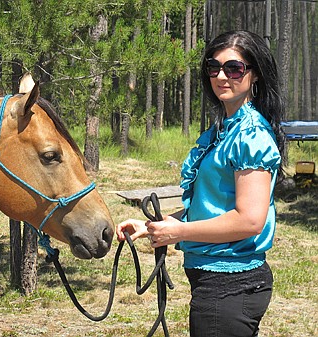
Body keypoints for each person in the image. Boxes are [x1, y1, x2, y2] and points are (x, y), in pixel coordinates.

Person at [116, 30, 286, 337]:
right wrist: (155, 226)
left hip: (230, 286)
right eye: (213, 67)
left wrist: (177, 232)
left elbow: (249, 221)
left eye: (234, 68)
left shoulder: (251, 136)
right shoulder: (225, 129)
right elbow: (212, 205)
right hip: (217, 284)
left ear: (255, 74)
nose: (222, 76)